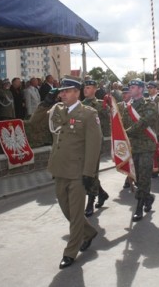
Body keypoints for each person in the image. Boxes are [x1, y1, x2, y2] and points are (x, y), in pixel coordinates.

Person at [30, 76, 102, 269]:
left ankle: (70, 251)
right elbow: (34, 123)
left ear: (76, 92)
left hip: (78, 172)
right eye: (60, 91)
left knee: (76, 214)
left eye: (67, 91)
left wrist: (89, 173)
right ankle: (89, 232)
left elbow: (94, 146)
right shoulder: (55, 110)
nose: (62, 94)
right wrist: (45, 103)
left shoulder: (88, 113)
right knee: (66, 210)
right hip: (59, 169)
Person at [121, 79, 158, 222]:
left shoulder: (149, 104)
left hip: (146, 147)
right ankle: (148, 198)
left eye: (134, 86)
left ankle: (139, 207)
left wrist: (128, 132)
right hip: (133, 148)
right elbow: (123, 125)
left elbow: (144, 122)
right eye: (130, 86)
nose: (130, 88)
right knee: (136, 178)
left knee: (144, 177)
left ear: (141, 89)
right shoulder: (127, 107)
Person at [81, 78, 110, 217]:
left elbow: (110, 118)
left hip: (95, 143)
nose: (85, 89)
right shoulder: (79, 105)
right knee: (85, 173)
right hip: (82, 143)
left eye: (88, 87)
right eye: (84, 87)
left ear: (95, 89)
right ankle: (102, 194)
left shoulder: (100, 105)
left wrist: (108, 105)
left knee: (91, 173)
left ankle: (90, 202)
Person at [146, 80, 159, 178]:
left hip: (158, 130)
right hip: (148, 130)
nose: (149, 90)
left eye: (151, 88)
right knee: (149, 151)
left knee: (158, 151)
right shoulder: (145, 101)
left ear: (156, 89)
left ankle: (156, 170)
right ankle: (151, 169)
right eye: (148, 88)